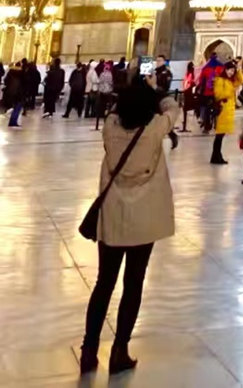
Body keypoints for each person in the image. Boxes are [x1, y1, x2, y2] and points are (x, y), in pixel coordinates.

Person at [79, 73, 176, 375]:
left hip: (113, 215)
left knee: (104, 283)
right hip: (143, 219)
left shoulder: (110, 127)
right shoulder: (155, 128)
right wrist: (156, 92)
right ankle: (120, 350)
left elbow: (113, 110)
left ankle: (89, 350)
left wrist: (129, 95)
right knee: (133, 283)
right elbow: (172, 107)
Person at [211, 60, 238, 165]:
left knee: (221, 135)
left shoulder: (230, 81)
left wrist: (239, 70)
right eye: (230, 70)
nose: (231, 72)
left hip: (227, 110)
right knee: (219, 135)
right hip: (222, 110)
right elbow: (218, 94)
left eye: (233, 71)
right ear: (225, 70)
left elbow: (240, 80)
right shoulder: (220, 80)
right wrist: (230, 92)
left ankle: (216, 156)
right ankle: (216, 156)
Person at [3, 59, 23, 128]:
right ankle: (13, 121)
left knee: (14, 105)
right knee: (17, 107)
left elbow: (6, 80)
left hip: (10, 91)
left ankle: (11, 115)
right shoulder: (21, 73)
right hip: (18, 92)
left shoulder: (11, 72)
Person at [180, 61, 196, 132]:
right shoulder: (191, 74)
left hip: (186, 92)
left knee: (185, 109)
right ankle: (185, 126)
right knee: (187, 109)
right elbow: (191, 83)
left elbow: (185, 83)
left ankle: (184, 126)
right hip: (189, 93)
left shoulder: (187, 74)